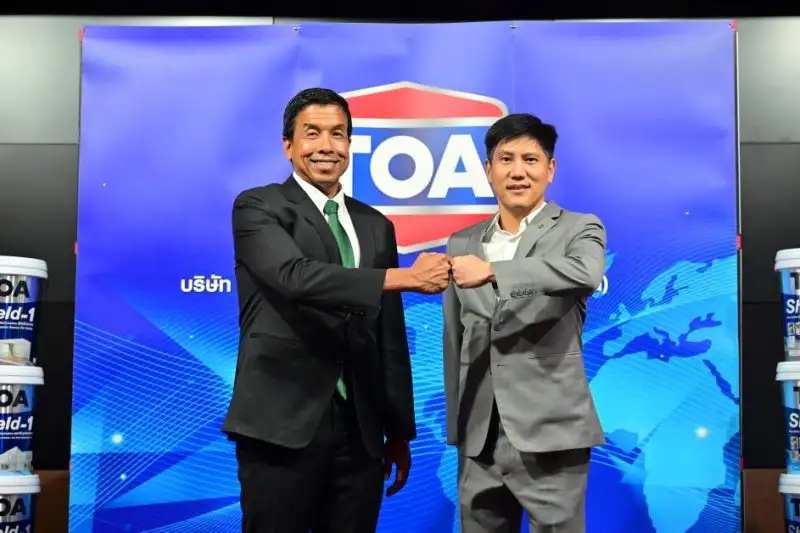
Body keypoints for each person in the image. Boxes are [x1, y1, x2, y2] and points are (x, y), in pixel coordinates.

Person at [222, 87, 451, 533]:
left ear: (349, 144)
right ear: (288, 146)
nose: (326, 146)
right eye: (312, 134)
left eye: (338, 134)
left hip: (360, 431)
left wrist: (398, 430)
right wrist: (403, 277)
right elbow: (295, 276)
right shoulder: (259, 206)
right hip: (280, 423)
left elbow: (389, 334)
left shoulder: (375, 224)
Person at [442, 113, 607, 533]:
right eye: (506, 159)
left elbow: (585, 273)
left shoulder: (579, 228)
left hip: (551, 435)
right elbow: (455, 339)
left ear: (550, 170)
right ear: (488, 170)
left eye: (530, 160)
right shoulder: (461, 243)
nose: (518, 172)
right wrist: (458, 429)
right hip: (479, 438)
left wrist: (493, 271)